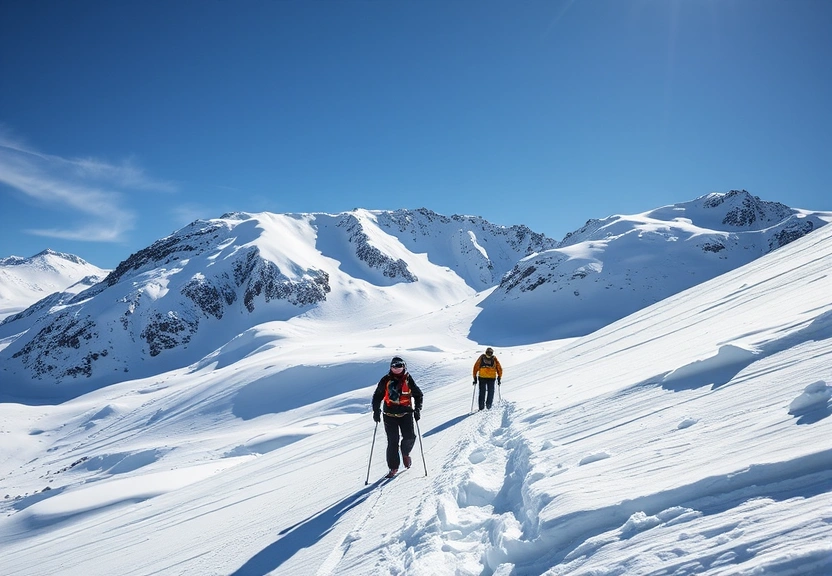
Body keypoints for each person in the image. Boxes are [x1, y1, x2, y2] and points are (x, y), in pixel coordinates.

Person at [372, 356, 423, 478]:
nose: (396, 368)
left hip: (406, 413)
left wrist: (417, 409)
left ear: (404, 366)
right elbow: (377, 396)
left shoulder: (408, 380)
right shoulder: (385, 380)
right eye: (394, 366)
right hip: (389, 415)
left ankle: (405, 453)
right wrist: (376, 411)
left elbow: (418, 395)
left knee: (410, 437)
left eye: (399, 365)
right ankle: (393, 467)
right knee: (392, 441)